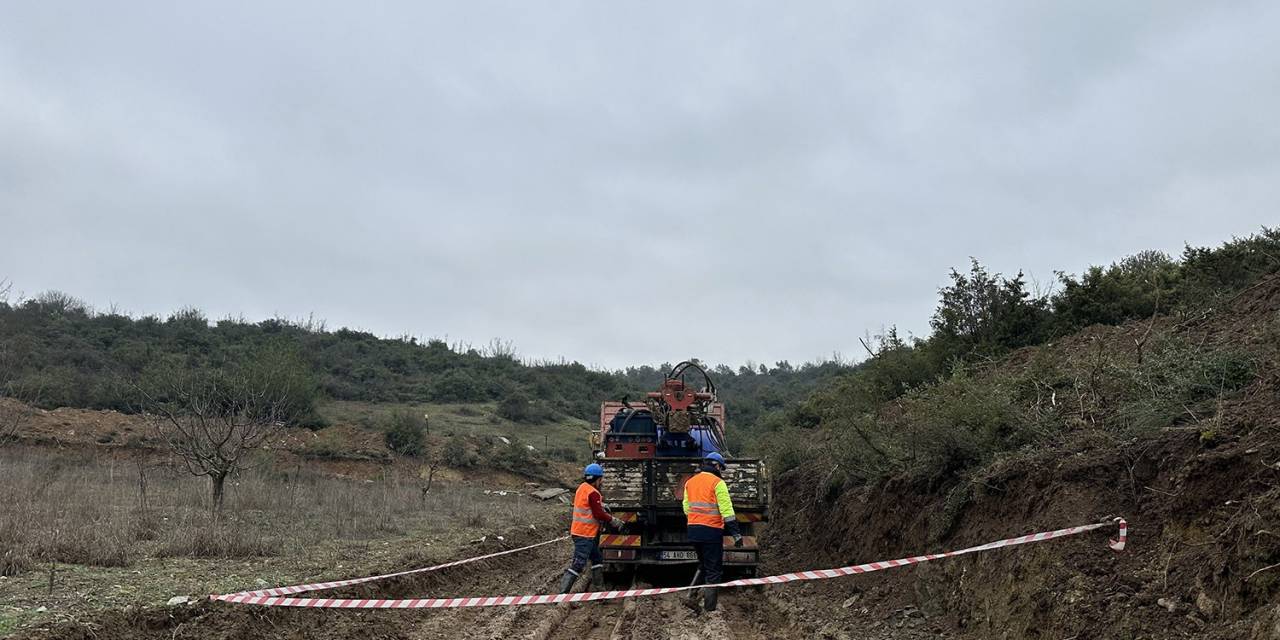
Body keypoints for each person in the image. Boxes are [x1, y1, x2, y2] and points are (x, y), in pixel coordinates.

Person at [683, 451, 742, 612]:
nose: (721, 471)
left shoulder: (690, 482)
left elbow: (686, 508)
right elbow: (727, 510)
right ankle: (710, 609)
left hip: (693, 530)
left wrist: (697, 520)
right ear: (716, 465)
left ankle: (690, 595)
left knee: (703, 564)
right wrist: (736, 533)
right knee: (714, 570)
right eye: (721, 468)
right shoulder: (718, 483)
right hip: (712, 531)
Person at [559, 463, 624, 593]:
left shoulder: (582, 488)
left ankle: (600, 591)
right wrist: (614, 521)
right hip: (585, 534)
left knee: (597, 558)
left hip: (582, 532)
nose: (601, 482)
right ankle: (561, 595)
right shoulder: (593, 493)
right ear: (597, 479)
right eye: (601, 480)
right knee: (578, 564)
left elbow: (588, 504)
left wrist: (601, 504)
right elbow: (598, 514)